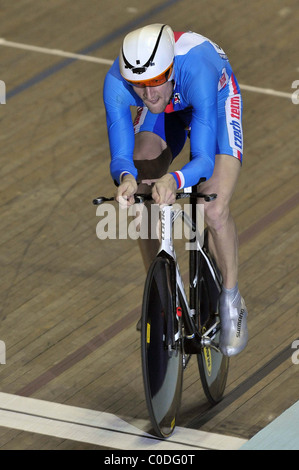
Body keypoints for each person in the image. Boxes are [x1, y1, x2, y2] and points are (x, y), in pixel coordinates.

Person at [103, 24, 248, 356]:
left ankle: (231, 298)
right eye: (139, 88)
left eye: (154, 84)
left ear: (169, 71)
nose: (148, 96)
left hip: (215, 99)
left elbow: (203, 160)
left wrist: (176, 180)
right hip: (171, 107)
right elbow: (122, 155)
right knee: (142, 181)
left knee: (213, 206)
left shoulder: (197, 70)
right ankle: (161, 295)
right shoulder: (119, 82)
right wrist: (126, 177)